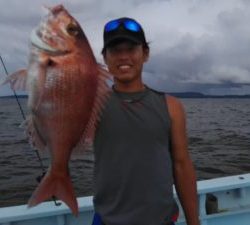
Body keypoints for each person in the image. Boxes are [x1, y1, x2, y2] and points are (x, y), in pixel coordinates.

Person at [93, 17, 200, 225]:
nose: (123, 57)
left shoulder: (171, 106)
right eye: (115, 50)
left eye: (131, 49)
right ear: (105, 58)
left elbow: (182, 165)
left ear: (145, 54)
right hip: (108, 221)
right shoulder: (91, 106)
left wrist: (194, 222)